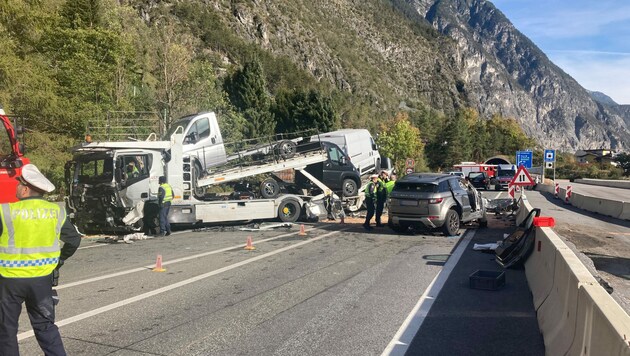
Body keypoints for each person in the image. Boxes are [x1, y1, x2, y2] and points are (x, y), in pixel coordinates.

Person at [0, 164, 81, 356]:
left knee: (7, 330)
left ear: (26, 188)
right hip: (42, 280)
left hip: (9, 280)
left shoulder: (6, 212)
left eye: (19, 184)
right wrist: (58, 261)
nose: (17, 188)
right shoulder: (56, 211)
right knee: (45, 327)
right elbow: (74, 240)